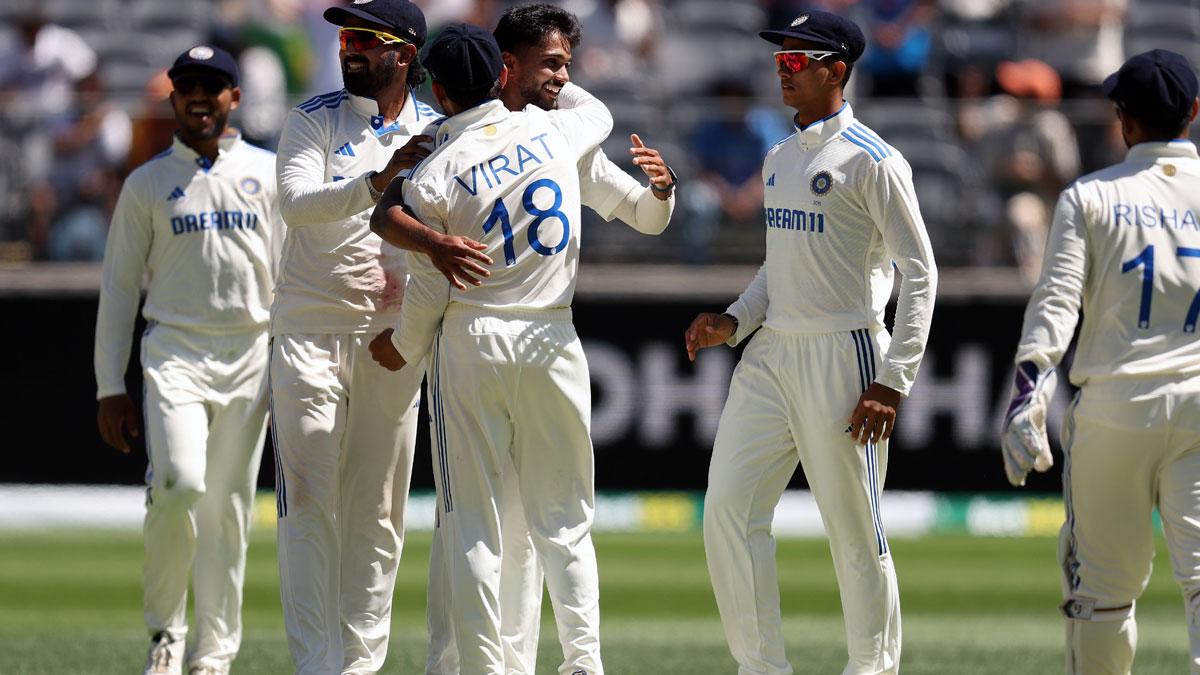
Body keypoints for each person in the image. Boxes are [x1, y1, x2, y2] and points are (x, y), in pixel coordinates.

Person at [383, 5, 677, 673]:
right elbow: (596, 113)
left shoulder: (435, 167)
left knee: (472, 521)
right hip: (552, 337)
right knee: (565, 519)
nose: (562, 76)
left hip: (474, 336)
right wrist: (562, 89)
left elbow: (422, 267)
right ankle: (582, 662)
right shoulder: (563, 134)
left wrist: (404, 344)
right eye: (551, 64)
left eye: (566, 65)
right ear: (502, 67)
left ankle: (485, 667)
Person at [684, 10, 938, 674]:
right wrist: (735, 320)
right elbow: (778, 266)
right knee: (729, 511)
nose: (783, 70)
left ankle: (872, 668)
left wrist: (894, 378)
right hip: (771, 354)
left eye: (799, 60)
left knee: (856, 532)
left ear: (838, 71)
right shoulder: (777, 156)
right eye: (780, 59)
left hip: (845, 353)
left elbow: (921, 270)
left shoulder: (875, 161)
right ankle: (762, 666)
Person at [1000, 49, 1200, 674]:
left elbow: (1055, 302)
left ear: (1122, 119)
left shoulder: (1088, 196)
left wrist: (1028, 394)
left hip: (1114, 412)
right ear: (1193, 114)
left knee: (1103, 600)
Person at [93, 46, 281, 675]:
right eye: (187, 86)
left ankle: (215, 652)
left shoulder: (268, 172)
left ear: (234, 97)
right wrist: (107, 386)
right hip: (174, 349)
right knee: (180, 486)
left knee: (227, 508)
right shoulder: (146, 183)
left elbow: (291, 278)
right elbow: (120, 288)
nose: (199, 96)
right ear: (172, 97)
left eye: (213, 86)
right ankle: (166, 633)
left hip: (252, 352)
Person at [268, 1, 440, 672]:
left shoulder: (437, 130)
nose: (349, 48)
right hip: (309, 329)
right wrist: (376, 181)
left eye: (365, 38)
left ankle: (359, 665)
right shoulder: (310, 119)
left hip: (390, 338)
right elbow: (295, 204)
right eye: (345, 36)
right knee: (308, 504)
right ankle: (316, 666)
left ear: (404, 53)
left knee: (378, 511)